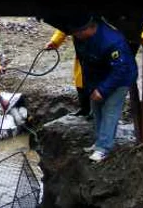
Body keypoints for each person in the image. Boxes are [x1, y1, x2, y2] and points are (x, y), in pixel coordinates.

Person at [52, 15, 138, 162]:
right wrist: (91, 87)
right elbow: (85, 63)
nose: (76, 35)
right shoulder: (81, 38)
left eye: (79, 32)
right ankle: (99, 142)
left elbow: (120, 70)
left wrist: (103, 90)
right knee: (96, 109)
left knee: (110, 111)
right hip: (98, 76)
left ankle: (104, 148)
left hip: (119, 79)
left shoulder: (112, 41)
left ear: (91, 28)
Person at [45, 29, 90, 118]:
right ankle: (85, 109)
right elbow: (63, 27)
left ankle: (94, 112)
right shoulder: (71, 18)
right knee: (80, 79)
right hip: (81, 51)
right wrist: (54, 42)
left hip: (96, 49)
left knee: (93, 81)